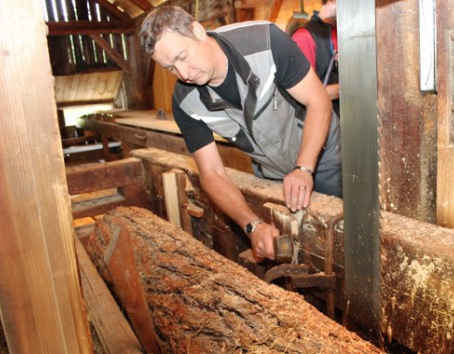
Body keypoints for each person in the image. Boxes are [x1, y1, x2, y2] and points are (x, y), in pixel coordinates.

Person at [138, 6, 341, 261]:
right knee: (288, 248)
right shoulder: (185, 102)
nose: (184, 74)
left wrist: (303, 168)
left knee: (338, 241)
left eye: (182, 56)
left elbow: (319, 102)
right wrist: (252, 225)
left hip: (322, 156)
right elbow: (212, 174)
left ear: (197, 31)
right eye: (170, 68)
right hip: (271, 171)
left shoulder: (265, 42)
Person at [290, 0, 340, 116]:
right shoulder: (304, 36)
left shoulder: (342, 32)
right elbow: (305, 94)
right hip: (322, 120)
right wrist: (351, 87)